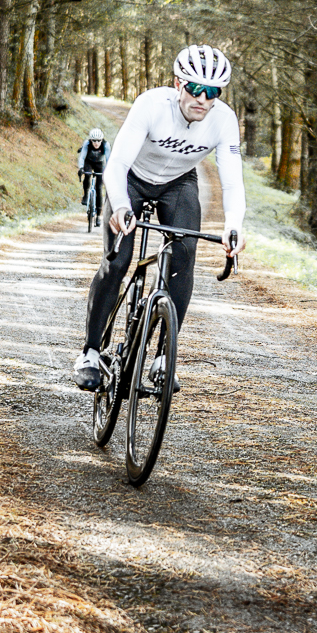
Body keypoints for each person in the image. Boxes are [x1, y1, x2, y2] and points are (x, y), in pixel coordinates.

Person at [74, 44, 246, 391]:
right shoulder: (151, 104)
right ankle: (90, 353)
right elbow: (117, 164)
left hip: (178, 184)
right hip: (132, 180)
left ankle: (165, 357)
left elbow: (232, 181)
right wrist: (120, 206)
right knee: (117, 260)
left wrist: (234, 224)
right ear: (178, 83)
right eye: (195, 88)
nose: (203, 98)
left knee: (183, 258)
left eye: (212, 92)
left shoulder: (224, 120)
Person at [76, 127, 108, 211]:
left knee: (99, 188)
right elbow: (82, 157)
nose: (96, 143)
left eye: (99, 140)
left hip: (99, 163)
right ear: (91, 140)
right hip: (88, 162)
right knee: (87, 175)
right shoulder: (87, 144)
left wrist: (108, 170)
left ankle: (98, 213)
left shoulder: (105, 145)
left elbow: (109, 159)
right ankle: (86, 195)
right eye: (94, 141)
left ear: (102, 140)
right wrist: (81, 168)